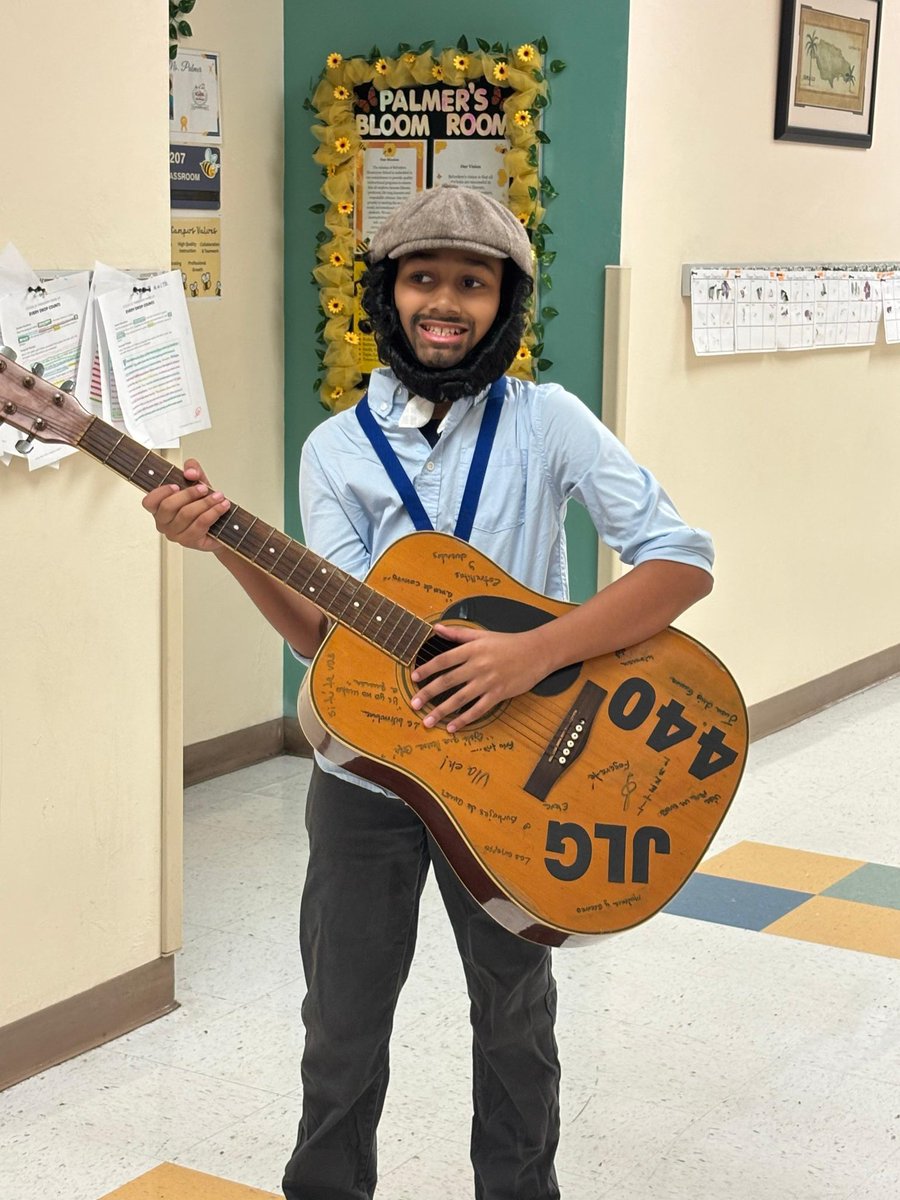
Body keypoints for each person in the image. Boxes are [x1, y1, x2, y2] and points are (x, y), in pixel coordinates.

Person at [143, 185, 715, 1200]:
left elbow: (681, 562)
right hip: (369, 779)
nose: (445, 302)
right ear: (387, 293)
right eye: (423, 279)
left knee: (514, 1016)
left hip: (521, 774)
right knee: (341, 1018)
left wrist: (531, 656)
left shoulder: (548, 422)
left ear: (504, 305)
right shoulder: (336, 448)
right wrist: (226, 546)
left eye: (472, 284)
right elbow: (326, 637)